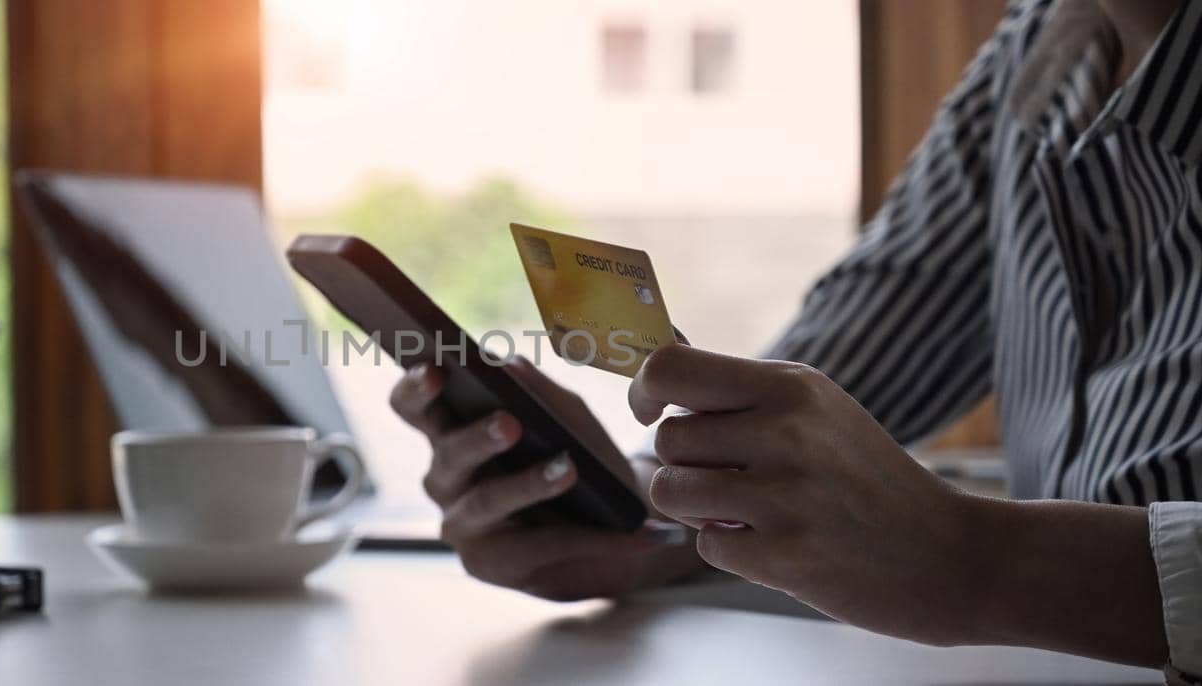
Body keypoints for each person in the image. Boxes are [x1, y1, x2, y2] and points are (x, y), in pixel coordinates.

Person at [388, 0, 1202, 679]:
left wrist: (977, 561)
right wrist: (647, 513)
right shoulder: (1040, 44)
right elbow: (868, 331)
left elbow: (948, 549)